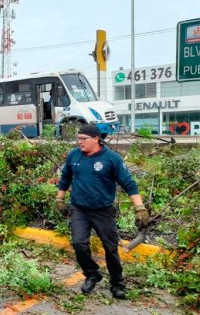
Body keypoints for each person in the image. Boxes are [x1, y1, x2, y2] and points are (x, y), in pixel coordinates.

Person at [56, 124, 149, 299]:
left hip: (103, 211)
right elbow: (65, 177)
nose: (80, 142)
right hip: (79, 210)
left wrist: (140, 208)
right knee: (79, 244)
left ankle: (117, 284)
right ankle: (92, 274)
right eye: (78, 139)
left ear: (96, 139)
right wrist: (60, 199)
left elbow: (129, 184)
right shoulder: (74, 155)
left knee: (110, 248)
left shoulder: (112, 159)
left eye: (83, 139)